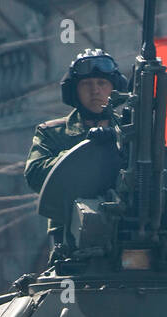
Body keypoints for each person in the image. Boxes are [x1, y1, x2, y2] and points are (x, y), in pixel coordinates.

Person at [24, 49, 129, 243]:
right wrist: (85, 148)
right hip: (70, 236)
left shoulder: (131, 131)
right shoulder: (52, 133)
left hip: (128, 232)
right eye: (86, 84)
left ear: (114, 89)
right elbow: (35, 174)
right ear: (74, 91)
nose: (95, 90)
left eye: (102, 83)